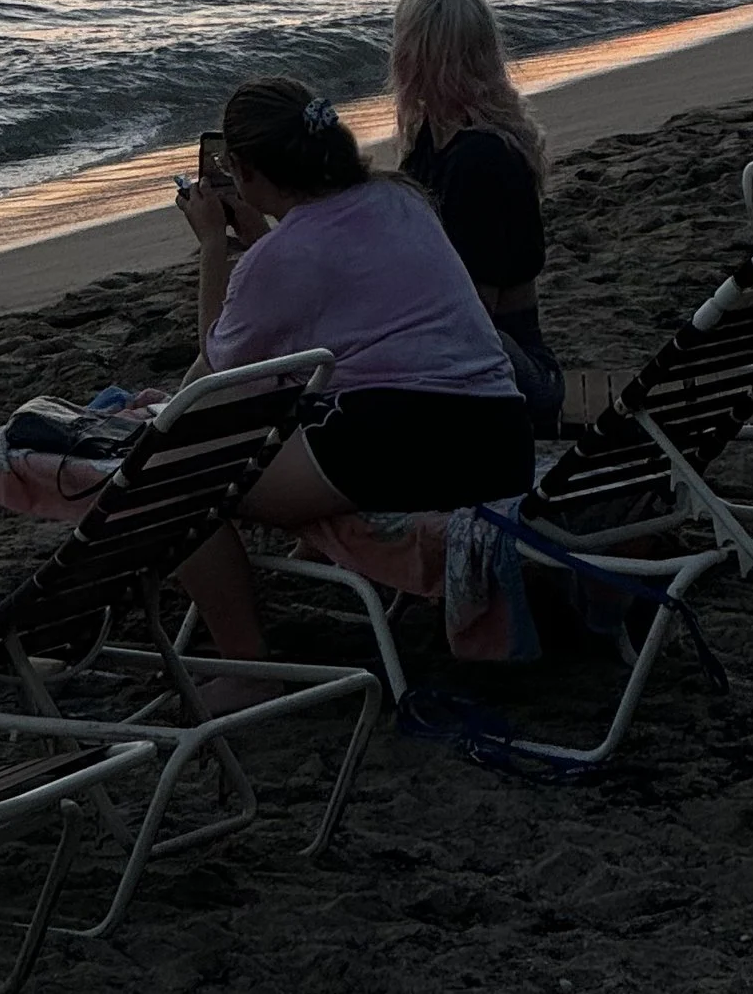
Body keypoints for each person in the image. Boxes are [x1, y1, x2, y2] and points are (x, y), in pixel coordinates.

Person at [173, 75, 534, 674]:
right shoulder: (400, 198)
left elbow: (220, 366)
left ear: (242, 168)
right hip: (500, 434)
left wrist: (214, 244)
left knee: (181, 492)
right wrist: (259, 241)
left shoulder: (286, 256)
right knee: (299, 432)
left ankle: (247, 668)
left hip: (412, 439)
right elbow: (334, 290)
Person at [391, 0, 563, 429]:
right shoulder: (439, 137)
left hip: (515, 369)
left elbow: (471, 316)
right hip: (485, 350)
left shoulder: (480, 163)